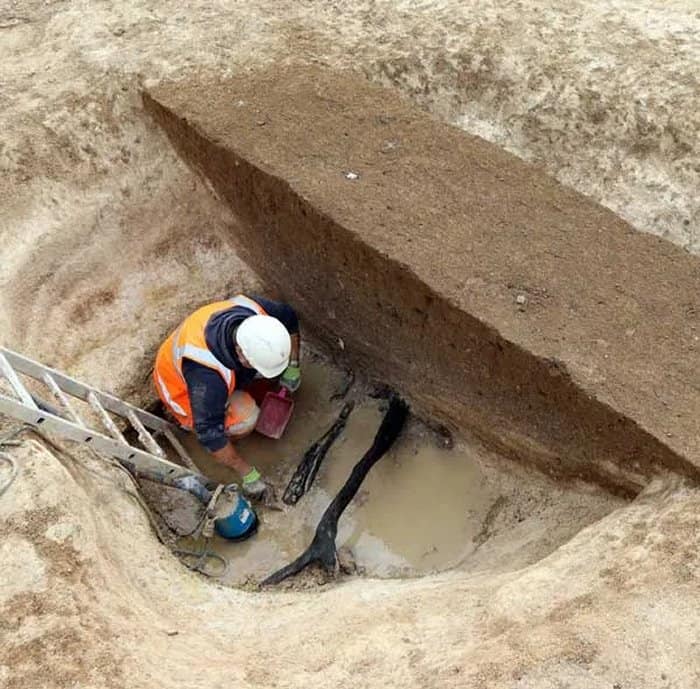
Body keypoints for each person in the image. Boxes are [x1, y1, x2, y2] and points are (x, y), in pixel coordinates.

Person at [153, 294, 301, 500]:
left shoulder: (256, 315)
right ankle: (219, 435)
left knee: (268, 375)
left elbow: (290, 318)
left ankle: (245, 385)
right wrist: (246, 473)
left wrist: (293, 365)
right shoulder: (207, 378)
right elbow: (209, 433)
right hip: (181, 391)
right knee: (247, 418)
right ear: (240, 353)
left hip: (206, 365)